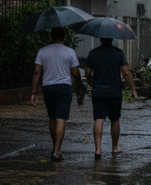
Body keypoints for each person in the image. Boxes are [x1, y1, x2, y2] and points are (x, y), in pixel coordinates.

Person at [31, 27, 82, 162]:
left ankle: (55, 147)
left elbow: (37, 72)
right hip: (64, 87)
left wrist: (34, 92)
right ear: (64, 37)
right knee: (61, 118)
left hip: (48, 87)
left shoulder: (42, 51)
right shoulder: (70, 52)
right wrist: (78, 88)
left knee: (52, 118)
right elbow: (76, 73)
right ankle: (57, 151)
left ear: (51, 37)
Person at [85, 38, 137, 158]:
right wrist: (133, 90)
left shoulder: (93, 53)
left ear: (100, 39)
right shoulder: (118, 53)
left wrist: (90, 81)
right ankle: (115, 147)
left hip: (98, 91)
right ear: (112, 39)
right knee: (115, 119)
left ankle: (98, 149)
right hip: (114, 91)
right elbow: (126, 72)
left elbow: (87, 72)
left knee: (99, 118)